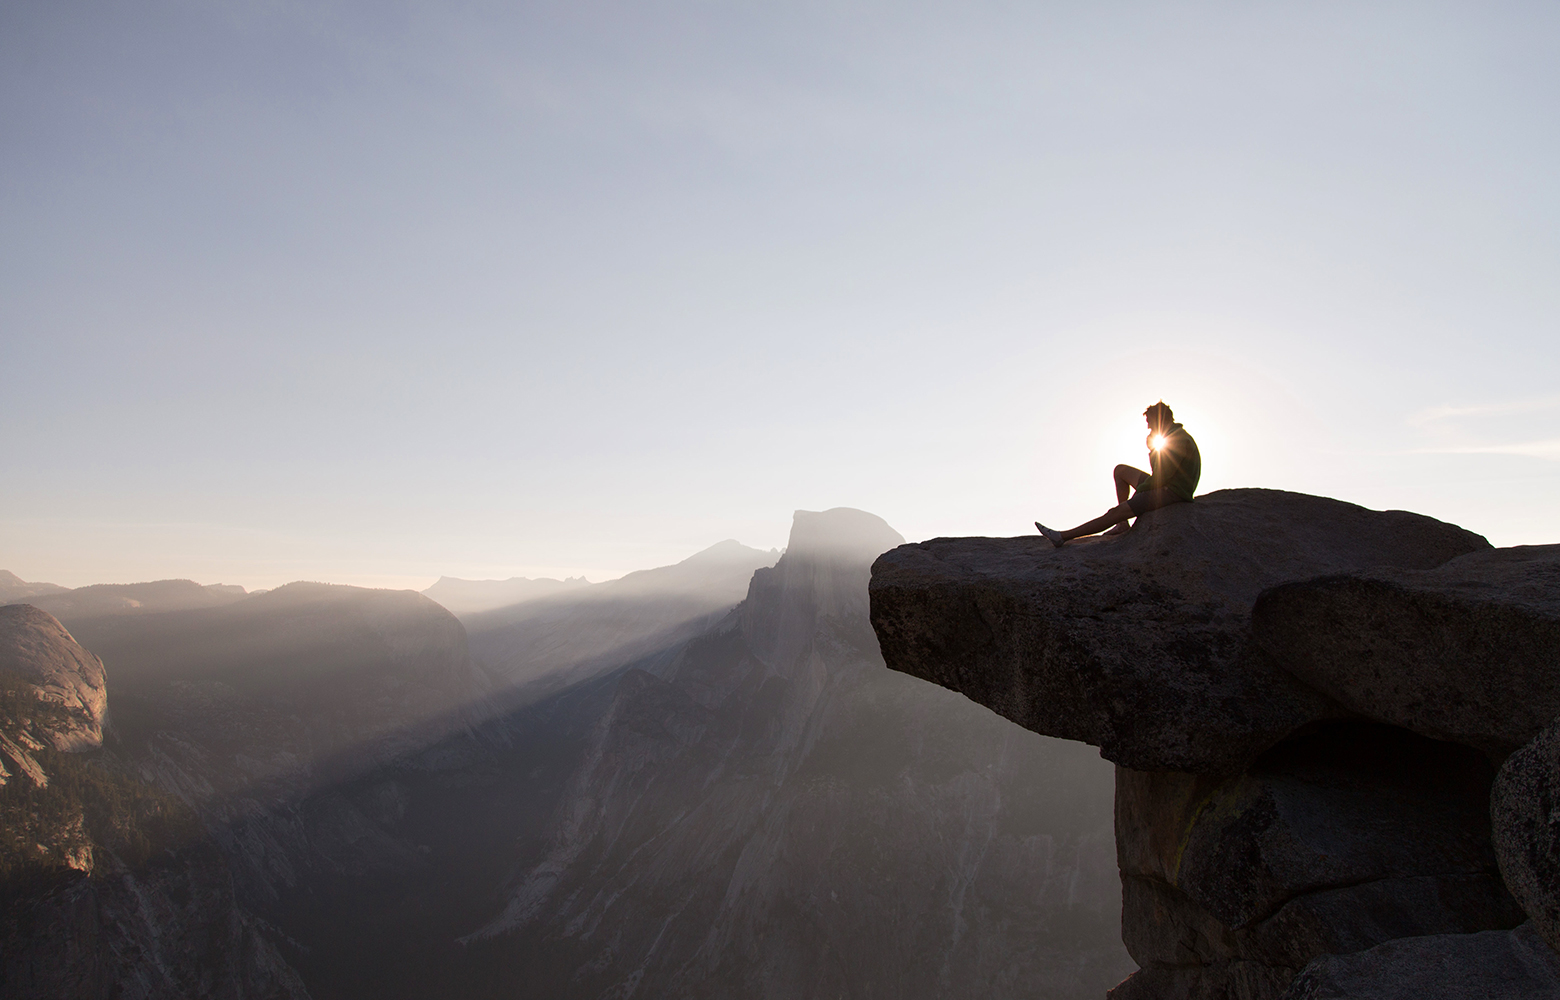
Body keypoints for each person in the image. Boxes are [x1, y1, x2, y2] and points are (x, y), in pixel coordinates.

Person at [1035, 401, 1200, 548]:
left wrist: (1140, 492)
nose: (1149, 428)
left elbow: (1161, 478)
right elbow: (1159, 472)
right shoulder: (1173, 436)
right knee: (1120, 470)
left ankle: (1062, 537)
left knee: (1115, 512)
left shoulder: (1176, 440)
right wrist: (1152, 450)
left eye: (1150, 423)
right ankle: (1122, 524)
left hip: (1172, 492)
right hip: (1166, 484)